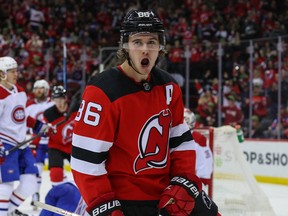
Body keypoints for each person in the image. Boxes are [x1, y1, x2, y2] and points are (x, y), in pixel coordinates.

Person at [71, 10, 220, 216]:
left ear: (160, 46)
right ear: (125, 45)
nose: (145, 50)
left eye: (152, 42)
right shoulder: (103, 91)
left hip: (165, 196)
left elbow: (181, 143)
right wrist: (105, 208)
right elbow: (85, 162)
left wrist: (182, 184)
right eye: (137, 42)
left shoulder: (169, 87)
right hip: (122, 200)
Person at [0, 56, 54, 216]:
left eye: (16, 71)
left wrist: (40, 126)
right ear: (2, 73)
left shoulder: (20, 90)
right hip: (6, 144)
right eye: (12, 71)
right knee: (6, 185)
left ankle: (6, 211)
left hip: (22, 144)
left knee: (30, 182)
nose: (16, 74)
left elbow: (22, 116)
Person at [26, 79, 55, 207]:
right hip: (37, 142)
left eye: (41, 88)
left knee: (56, 170)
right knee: (37, 169)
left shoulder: (53, 104)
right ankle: (35, 195)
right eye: (37, 88)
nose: (39, 90)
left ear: (47, 90)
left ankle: (58, 195)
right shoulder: (29, 106)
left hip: (52, 141)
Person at [43, 85, 79, 186]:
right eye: (56, 100)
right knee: (55, 174)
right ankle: (58, 196)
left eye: (60, 99)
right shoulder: (49, 114)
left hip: (74, 146)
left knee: (82, 172)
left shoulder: (76, 108)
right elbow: (45, 132)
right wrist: (46, 131)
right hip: (56, 146)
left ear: (65, 99)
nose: (58, 103)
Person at [184, 108, 213, 186]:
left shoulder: (198, 139)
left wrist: (202, 179)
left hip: (192, 182)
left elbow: (206, 160)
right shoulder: (173, 136)